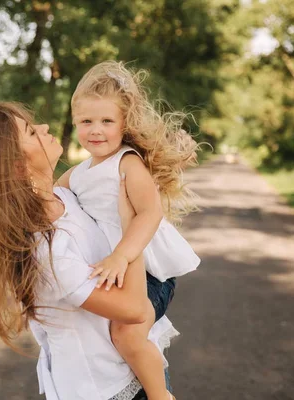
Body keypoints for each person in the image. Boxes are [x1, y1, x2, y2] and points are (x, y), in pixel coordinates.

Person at [0, 102, 177, 400]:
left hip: (135, 367)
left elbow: (121, 177)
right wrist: (129, 225)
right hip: (105, 389)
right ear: (17, 166)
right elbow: (135, 310)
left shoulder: (64, 195)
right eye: (32, 132)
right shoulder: (46, 252)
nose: (44, 128)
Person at [56, 61, 200, 400]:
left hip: (150, 272)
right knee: (108, 337)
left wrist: (122, 254)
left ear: (124, 124)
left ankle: (160, 395)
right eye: (86, 121)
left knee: (126, 334)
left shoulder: (127, 162)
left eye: (107, 121)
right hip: (121, 272)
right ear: (75, 122)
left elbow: (149, 213)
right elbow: (48, 197)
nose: (96, 130)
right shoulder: (78, 173)